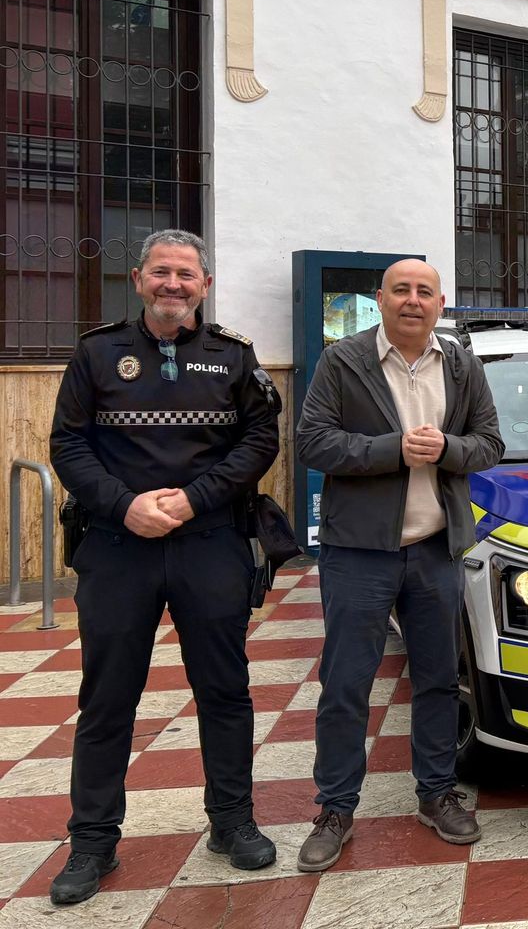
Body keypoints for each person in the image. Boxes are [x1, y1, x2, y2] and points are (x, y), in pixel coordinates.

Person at [48, 230, 280, 905]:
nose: (172, 284)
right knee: (107, 698)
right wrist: (125, 506)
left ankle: (232, 823)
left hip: (210, 542)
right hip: (119, 548)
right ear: (138, 279)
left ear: (205, 284)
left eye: (185, 274)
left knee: (225, 690)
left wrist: (193, 498)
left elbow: (260, 437)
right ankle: (93, 841)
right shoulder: (97, 353)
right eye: (160, 273)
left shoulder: (233, 356)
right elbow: (68, 443)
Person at [294, 259, 503, 872]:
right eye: (401, 290)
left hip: (435, 549)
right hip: (358, 552)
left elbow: (490, 443)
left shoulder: (463, 365)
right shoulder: (344, 361)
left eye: (425, 292)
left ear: (442, 304)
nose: (413, 301)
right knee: (346, 686)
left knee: (438, 678)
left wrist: (449, 449)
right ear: (380, 300)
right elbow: (312, 443)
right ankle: (334, 808)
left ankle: (437, 793)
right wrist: (393, 450)